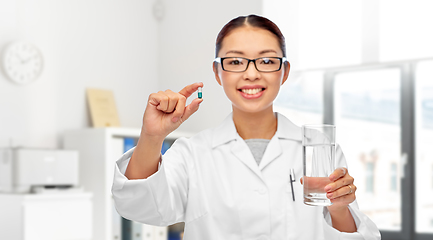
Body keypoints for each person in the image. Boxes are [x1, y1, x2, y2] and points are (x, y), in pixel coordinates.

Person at [112, 14, 381, 239]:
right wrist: (151, 136)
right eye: (236, 61)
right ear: (218, 73)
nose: (251, 74)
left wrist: (339, 208)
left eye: (266, 61)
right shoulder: (193, 153)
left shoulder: (319, 149)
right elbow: (139, 208)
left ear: (284, 72)